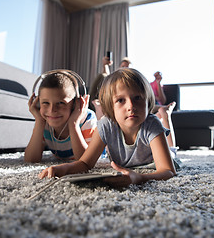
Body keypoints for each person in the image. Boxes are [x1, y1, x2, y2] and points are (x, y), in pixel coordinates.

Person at [39, 68, 178, 188]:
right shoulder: (106, 125)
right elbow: (85, 163)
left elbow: (168, 170)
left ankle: (165, 117)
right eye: (120, 100)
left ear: (148, 102)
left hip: (153, 160)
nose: (131, 106)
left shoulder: (151, 124)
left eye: (137, 98)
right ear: (110, 107)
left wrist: (139, 178)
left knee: (171, 150)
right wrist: (62, 168)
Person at [24, 70, 97, 163]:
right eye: (45, 103)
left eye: (60, 103)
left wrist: (74, 123)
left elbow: (86, 161)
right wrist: (39, 122)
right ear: (38, 104)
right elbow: (30, 160)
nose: (51, 110)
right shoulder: (44, 120)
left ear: (75, 105)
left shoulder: (87, 119)